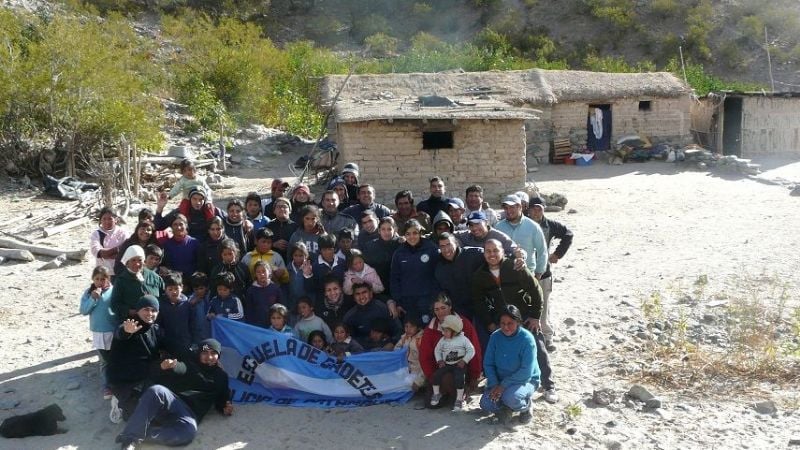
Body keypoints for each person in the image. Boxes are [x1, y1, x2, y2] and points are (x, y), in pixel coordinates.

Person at [472, 239, 556, 404]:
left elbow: (536, 290)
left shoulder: (515, 267)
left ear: (503, 252)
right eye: (488, 251)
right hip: (502, 321)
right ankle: (502, 386)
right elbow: (478, 302)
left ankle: (548, 385)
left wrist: (535, 316)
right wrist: (489, 322)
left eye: (495, 250)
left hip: (524, 317)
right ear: (484, 254)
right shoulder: (480, 275)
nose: (492, 254)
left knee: (538, 347)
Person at [115, 339, 233, 449]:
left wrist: (225, 407)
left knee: (188, 433)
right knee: (156, 390)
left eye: (213, 353)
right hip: (173, 404)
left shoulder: (222, 376)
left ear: (219, 355)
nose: (209, 357)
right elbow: (182, 368)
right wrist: (172, 365)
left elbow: (222, 398)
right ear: (199, 354)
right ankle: (130, 439)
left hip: (188, 416)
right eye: (205, 353)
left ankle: (139, 432)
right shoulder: (191, 364)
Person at [107, 295, 165, 423]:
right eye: (146, 309)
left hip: (143, 375)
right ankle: (119, 403)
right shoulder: (131, 325)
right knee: (135, 418)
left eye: (153, 310)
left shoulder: (155, 329)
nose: (150, 313)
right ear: (138, 311)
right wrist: (126, 331)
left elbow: (166, 345)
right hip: (123, 380)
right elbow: (120, 333)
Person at [419, 294, 482, 409]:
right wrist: (432, 378)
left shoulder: (464, 324)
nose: (440, 312)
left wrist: (474, 377)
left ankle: (459, 394)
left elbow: (474, 351)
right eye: (437, 309)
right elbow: (425, 357)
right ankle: (446, 393)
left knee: (451, 379)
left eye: (443, 308)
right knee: (430, 403)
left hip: (461, 368)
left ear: (450, 307)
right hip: (441, 369)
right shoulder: (430, 329)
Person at [479, 304, 540, 425]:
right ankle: (506, 409)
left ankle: (526, 407)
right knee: (486, 403)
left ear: (518, 322)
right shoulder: (495, 337)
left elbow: (526, 371)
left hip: (524, 380)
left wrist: (503, 386)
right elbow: (488, 363)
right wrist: (494, 384)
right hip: (500, 381)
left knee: (511, 398)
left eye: (510, 323)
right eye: (503, 323)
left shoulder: (527, 339)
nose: (506, 327)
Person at [528, 196, 574, 352]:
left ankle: (547, 337)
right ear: (528, 210)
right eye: (533, 208)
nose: (536, 212)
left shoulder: (550, 225)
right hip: (524, 273)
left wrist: (558, 254)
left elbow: (568, 234)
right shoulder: (523, 224)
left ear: (543, 209)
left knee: (544, 305)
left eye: (539, 209)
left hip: (544, 273)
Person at [390, 220, 439, 324]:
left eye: (415, 233)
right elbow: (394, 279)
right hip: (407, 301)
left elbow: (438, 275)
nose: (412, 237)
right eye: (408, 234)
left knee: (427, 328)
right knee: (410, 329)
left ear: (420, 233)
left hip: (427, 299)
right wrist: (398, 301)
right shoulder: (399, 253)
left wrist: (435, 298)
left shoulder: (431, 249)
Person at [79, 266, 116, 399]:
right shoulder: (89, 292)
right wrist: (93, 299)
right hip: (99, 332)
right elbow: (83, 310)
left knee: (116, 358)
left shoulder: (114, 291)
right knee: (104, 361)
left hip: (113, 331)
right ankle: (107, 387)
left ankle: (118, 384)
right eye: (97, 279)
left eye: (103, 279)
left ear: (108, 279)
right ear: (93, 279)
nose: (100, 282)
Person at [494, 194, 547, 280]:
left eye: (512, 207)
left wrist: (539, 273)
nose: (508, 211)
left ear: (520, 207)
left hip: (527, 274)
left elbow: (542, 251)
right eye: (506, 208)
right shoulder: (498, 227)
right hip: (504, 275)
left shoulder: (533, 227)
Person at [430, 315, 476, 412]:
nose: (443, 333)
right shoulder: (443, 340)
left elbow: (471, 350)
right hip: (446, 364)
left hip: (459, 364)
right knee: (436, 375)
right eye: (443, 330)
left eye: (446, 331)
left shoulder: (463, 339)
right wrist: (439, 360)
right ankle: (436, 394)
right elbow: (437, 350)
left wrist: (464, 360)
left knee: (459, 378)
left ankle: (459, 399)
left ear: (454, 331)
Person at [434, 232, 485, 318]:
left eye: (449, 244)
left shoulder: (473, 254)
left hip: (481, 305)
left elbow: (494, 255)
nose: (446, 249)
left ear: (456, 243)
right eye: (442, 246)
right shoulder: (439, 268)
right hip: (459, 311)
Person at [111, 245, 165, 322]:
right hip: (132, 323)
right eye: (133, 260)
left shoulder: (155, 277)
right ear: (127, 262)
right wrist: (130, 311)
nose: (137, 264)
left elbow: (164, 296)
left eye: (140, 260)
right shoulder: (121, 281)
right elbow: (114, 305)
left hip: (153, 322)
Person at [156, 187, 222, 243]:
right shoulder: (180, 212)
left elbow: (228, 221)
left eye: (201, 199)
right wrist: (160, 208)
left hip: (207, 246)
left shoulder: (212, 211)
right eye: (194, 199)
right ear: (190, 199)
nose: (198, 202)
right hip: (187, 245)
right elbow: (158, 227)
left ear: (204, 200)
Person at [343, 282, 400, 347]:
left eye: (364, 292)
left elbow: (398, 329)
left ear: (371, 293)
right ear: (353, 297)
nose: (361, 297)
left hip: (386, 348)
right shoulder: (350, 316)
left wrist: (392, 343)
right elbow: (346, 338)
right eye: (357, 294)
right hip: (361, 350)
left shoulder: (383, 308)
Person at [157, 272, 194, 356]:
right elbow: (158, 325)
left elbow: (192, 324)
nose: (174, 292)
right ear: (165, 290)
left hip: (185, 343)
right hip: (167, 345)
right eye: (170, 289)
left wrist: (192, 342)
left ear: (182, 288)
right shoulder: (161, 305)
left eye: (176, 288)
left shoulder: (187, 304)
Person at [303, 234, 346, 301]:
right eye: (324, 250)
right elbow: (310, 289)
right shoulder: (315, 266)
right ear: (320, 250)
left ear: (335, 249)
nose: (327, 252)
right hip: (323, 302)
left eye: (330, 249)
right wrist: (308, 276)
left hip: (342, 300)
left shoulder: (342, 262)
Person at [361, 216, 400, 290]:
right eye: (383, 229)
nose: (386, 232)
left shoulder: (400, 245)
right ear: (379, 231)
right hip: (377, 286)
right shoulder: (370, 246)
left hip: (397, 285)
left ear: (395, 230)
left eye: (389, 229)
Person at [89, 207, 128, 277]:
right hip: (103, 273)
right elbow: (97, 252)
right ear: (100, 220)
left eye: (110, 219)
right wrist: (118, 249)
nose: (107, 221)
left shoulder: (123, 233)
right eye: (104, 219)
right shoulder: (96, 234)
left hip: (121, 271)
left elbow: (127, 250)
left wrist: (107, 253)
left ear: (116, 220)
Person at [161, 214, 199, 283]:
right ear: (171, 227)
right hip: (173, 282)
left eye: (181, 224)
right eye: (175, 224)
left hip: (192, 282)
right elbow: (163, 264)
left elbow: (200, 265)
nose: (178, 227)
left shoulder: (194, 243)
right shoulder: (166, 244)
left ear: (186, 225)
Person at [244, 262, 282, 329]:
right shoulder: (251, 291)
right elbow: (249, 312)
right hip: (257, 327)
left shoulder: (276, 289)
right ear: (255, 274)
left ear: (269, 272)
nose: (261, 274)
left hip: (274, 327)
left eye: (264, 271)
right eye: (258, 272)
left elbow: (281, 309)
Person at [395, 316, 425, 392]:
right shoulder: (405, 337)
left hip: (418, 373)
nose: (408, 329)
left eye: (411, 327)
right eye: (406, 326)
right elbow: (396, 348)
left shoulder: (422, 340)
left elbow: (426, 363)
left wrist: (419, 381)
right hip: (406, 369)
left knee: (404, 384)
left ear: (418, 327)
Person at [266, 197, 298, 262]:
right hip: (272, 261)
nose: (282, 209)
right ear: (274, 211)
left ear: (290, 211)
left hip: (292, 261)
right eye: (278, 207)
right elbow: (261, 244)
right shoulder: (268, 226)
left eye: (284, 206)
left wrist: (290, 245)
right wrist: (273, 244)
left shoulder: (296, 227)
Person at [187, 272, 212, 343]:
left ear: (206, 287)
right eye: (196, 289)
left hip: (211, 333)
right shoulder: (190, 300)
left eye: (201, 288)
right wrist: (191, 305)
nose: (199, 291)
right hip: (197, 335)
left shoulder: (212, 297)